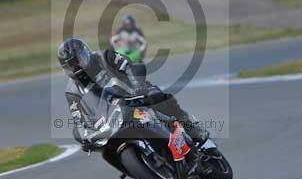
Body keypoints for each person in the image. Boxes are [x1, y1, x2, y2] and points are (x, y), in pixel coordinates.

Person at [57, 38, 208, 152]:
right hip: (112, 118)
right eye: (71, 66)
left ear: (87, 53)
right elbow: (78, 119)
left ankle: (192, 128)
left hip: (134, 94)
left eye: (79, 61)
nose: (77, 67)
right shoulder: (72, 91)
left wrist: (138, 87)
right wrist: (86, 136)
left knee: (160, 98)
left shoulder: (104, 57)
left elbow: (128, 66)